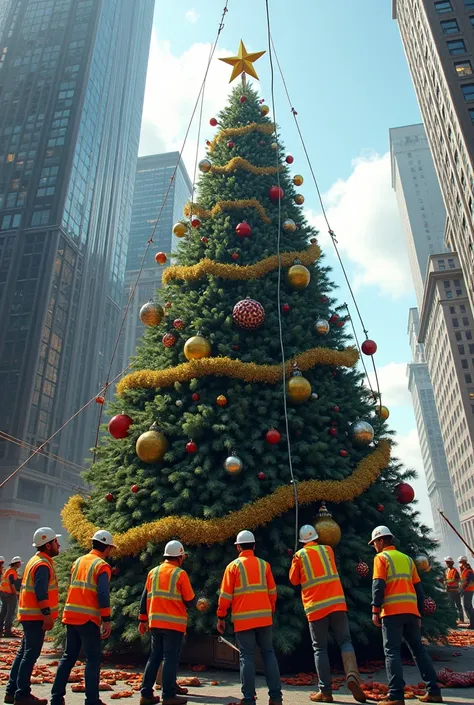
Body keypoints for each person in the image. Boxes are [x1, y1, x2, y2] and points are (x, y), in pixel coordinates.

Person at [289, 525, 365, 704]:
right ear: (316, 537)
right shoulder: (328, 549)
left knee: (320, 648)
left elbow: (294, 580)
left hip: (316, 607)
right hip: (337, 602)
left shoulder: (300, 556)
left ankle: (325, 691)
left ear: (302, 541)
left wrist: (294, 560)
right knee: (345, 641)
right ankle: (352, 675)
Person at [369, 525, 442, 705]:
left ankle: (395, 696)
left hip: (392, 613)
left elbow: (378, 585)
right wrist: (418, 613)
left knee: (392, 652)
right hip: (411, 612)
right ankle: (433, 690)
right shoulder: (408, 559)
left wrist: (375, 610)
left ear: (380, 540)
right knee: (418, 651)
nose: (374, 547)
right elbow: (419, 589)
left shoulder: (381, 558)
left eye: (374, 543)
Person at [216, 530, 282, 705]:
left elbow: (225, 597)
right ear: (254, 545)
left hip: (243, 620)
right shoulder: (264, 565)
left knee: (247, 656)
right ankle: (276, 697)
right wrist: (269, 611)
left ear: (238, 547)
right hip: (264, 619)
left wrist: (221, 616)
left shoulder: (233, 567)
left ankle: (248, 699)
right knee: (269, 653)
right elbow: (273, 593)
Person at [50, 530, 116, 705]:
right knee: (93, 658)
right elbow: (102, 594)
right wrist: (107, 619)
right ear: (107, 547)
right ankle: (92, 700)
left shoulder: (78, 561)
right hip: (88, 619)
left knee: (68, 656)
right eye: (110, 548)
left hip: (71, 615)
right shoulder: (101, 565)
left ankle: (56, 698)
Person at [5, 527, 60, 705]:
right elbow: (41, 593)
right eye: (56, 542)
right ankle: (22, 695)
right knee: (30, 655)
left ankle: (11, 692)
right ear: (48, 545)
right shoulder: (43, 564)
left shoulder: (34, 561)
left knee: (23, 654)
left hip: (28, 615)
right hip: (36, 617)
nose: (58, 545)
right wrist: (47, 615)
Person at [138, 540, 196, 705]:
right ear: (178, 557)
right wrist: (198, 602)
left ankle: (146, 695)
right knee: (170, 658)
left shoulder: (153, 572)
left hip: (155, 622)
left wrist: (143, 619)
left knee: (155, 657)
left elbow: (144, 597)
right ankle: (169, 696)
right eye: (182, 556)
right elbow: (190, 600)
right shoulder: (180, 574)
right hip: (173, 624)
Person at [0, 556, 22, 637]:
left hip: (3, 593)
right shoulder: (12, 572)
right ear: (16, 564)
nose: (20, 564)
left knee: (3, 611)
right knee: (10, 612)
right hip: (9, 594)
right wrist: (15, 593)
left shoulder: (8, 570)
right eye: (19, 563)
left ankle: (0, 630)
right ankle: (7, 631)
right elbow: (12, 584)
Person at [443, 556, 463, 623]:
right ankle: (454, 619)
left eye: (448, 562)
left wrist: (446, 582)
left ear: (451, 563)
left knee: (458, 605)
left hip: (455, 591)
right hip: (449, 591)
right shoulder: (447, 571)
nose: (447, 564)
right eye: (446, 562)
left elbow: (454, 579)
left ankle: (461, 619)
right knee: (451, 605)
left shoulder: (454, 570)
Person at [458, 555, 474, 629]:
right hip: (466, 590)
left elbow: (469, 581)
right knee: (467, 606)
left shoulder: (469, 571)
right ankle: (472, 623)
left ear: (464, 562)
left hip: (468, 590)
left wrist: (462, 589)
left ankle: (473, 623)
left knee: (467, 606)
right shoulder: (465, 570)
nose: (460, 564)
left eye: (460, 562)